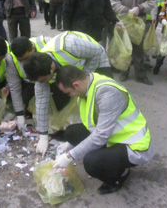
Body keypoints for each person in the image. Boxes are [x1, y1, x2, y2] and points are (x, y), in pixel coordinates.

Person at [53, 65, 154, 195]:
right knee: (71, 132)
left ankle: (118, 176)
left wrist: (70, 156)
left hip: (133, 145)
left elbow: (101, 136)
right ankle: (108, 159)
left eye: (68, 93)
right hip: (113, 137)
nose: (70, 96)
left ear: (76, 85)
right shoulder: (88, 84)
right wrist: (69, 144)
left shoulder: (107, 94)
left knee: (91, 163)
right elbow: (89, 122)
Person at [23, 31, 112, 156]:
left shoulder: (70, 46)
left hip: (95, 60)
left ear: (51, 69)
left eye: (43, 80)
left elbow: (97, 51)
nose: (42, 83)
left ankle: (106, 138)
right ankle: (84, 133)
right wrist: (43, 135)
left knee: (100, 102)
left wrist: (84, 78)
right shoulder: (40, 71)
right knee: (73, 98)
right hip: (73, 70)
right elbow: (41, 102)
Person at [111, 0, 156, 85]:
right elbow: (114, 2)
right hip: (124, 23)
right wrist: (126, 10)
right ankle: (124, 72)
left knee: (138, 51)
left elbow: (152, 1)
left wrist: (140, 8)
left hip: (138, 24)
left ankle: (140, 75)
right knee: (125, 49)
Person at [5, 36, 50, 130]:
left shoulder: (47, 46)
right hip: (30, 83)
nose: (24, 63)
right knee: (26, 103)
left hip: (50, 80)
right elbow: (14, 87)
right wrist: (19, 113)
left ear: (33, 48)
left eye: (26, 58)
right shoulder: (11, 59)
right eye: (20, 60)